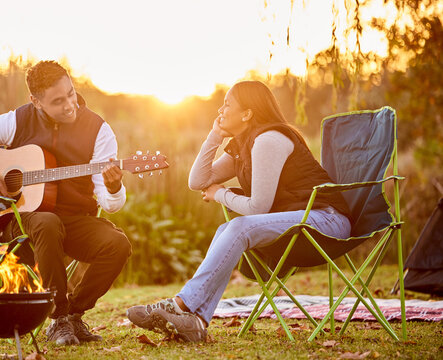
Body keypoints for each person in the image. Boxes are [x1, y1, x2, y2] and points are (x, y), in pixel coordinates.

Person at [126, 80, 351, 342]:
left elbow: (258, 208)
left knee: (238, 226)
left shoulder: (269, 139)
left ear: (247, 113)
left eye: (227, 104)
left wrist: (221, 194)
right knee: (227, 229)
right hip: (303, 222)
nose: (220, 110)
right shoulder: (244, 144)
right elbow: (197, 181)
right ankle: (196, 321)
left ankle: (180, 306)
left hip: (327, 221)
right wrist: (215, 136)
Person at [0, 60, 132, 346]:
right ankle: (57, 319)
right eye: (57, 101)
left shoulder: (99, 131)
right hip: (21, 220)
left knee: (118, 244)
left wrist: (114, 186)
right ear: (36, 101)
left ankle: (72, 316)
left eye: (71, 93)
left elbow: (110, 202)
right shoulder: (16, 121)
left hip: (75, 220)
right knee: (46, 221)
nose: (70, 105)